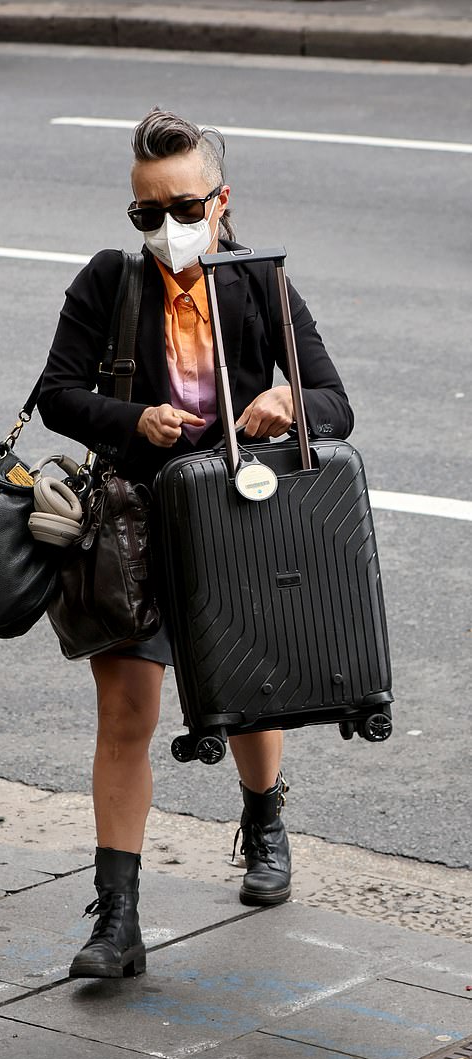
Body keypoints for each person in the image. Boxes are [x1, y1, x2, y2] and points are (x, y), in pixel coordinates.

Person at [38, 107, 354, 980]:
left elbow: (335, 401)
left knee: (250, 697)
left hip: (236, 523)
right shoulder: (108, 282)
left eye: (183, 208)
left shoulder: (260, 284)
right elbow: (58, 394)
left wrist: (290, 405)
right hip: (133, 525)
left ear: (221, 201)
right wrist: (133, 416)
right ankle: (120, 921)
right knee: (127, 716)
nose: (167, 229)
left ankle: (263, 822)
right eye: (148, 213)